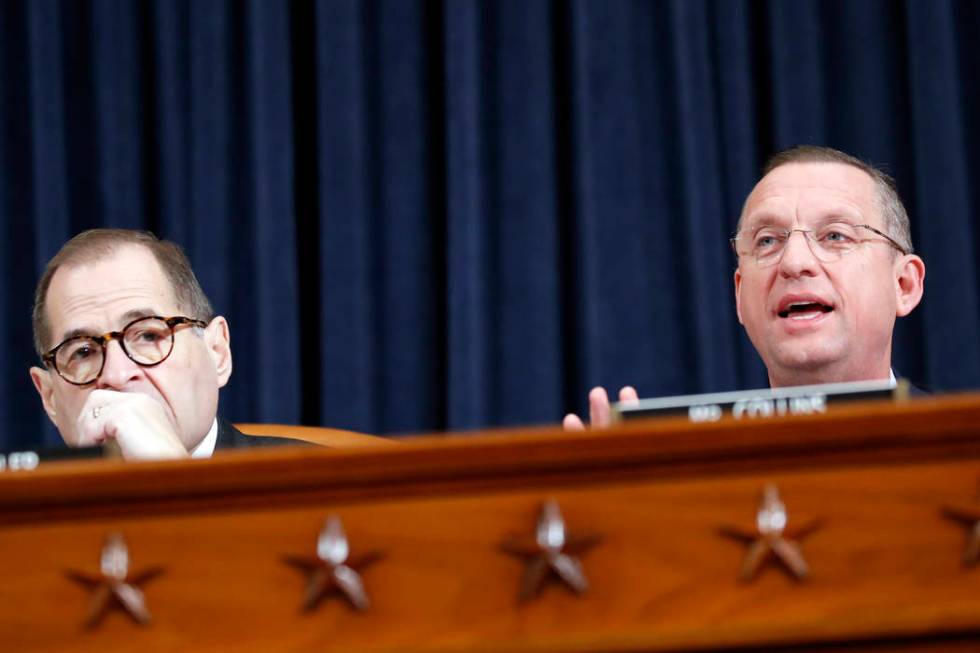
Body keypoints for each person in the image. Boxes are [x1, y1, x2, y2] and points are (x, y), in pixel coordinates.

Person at [564, 145, 926, 429]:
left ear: (904, 284)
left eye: (835, 235)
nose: (794, 262)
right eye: (767, 241)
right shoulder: (685, 476)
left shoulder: (963, 448)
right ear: (739, 295)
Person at [29, 229, 254, 460]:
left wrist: (174, 475)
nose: (116, 375)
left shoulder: (292, 481)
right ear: (50, 397)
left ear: (217, 353)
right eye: (83, 352)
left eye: (148, 335)